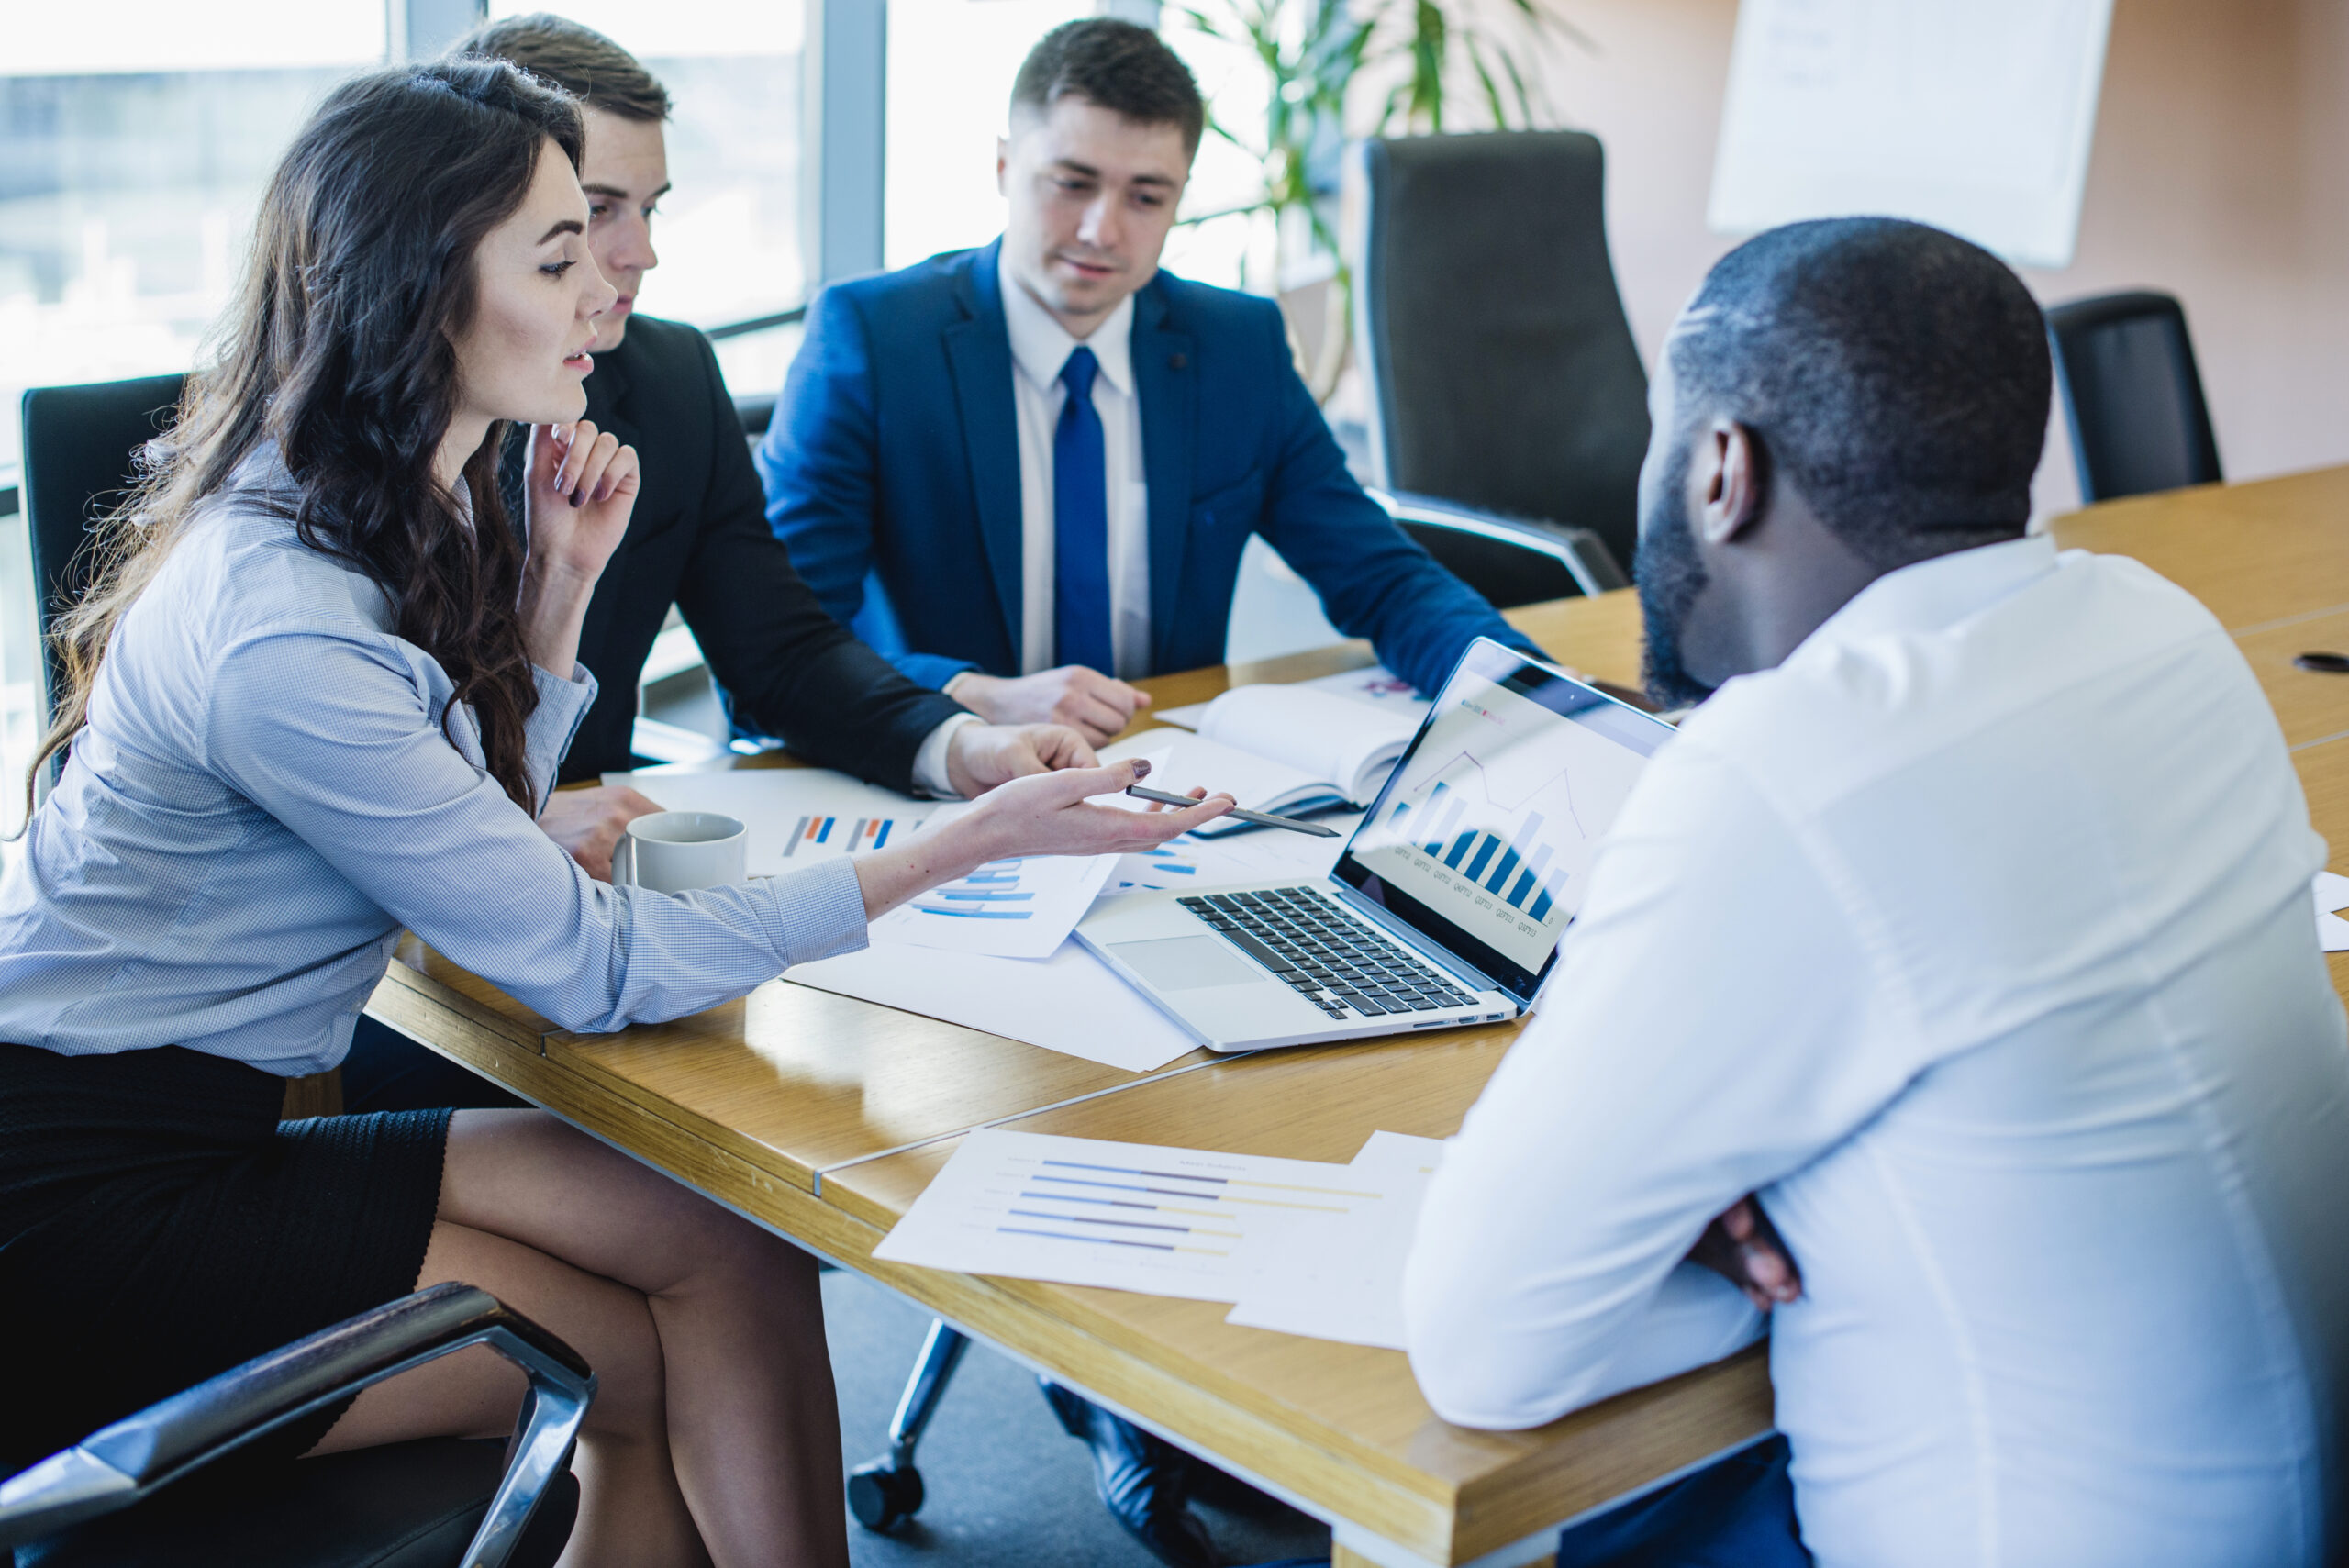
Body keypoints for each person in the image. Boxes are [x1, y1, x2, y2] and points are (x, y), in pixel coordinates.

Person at [0, 61, 1228, 1568]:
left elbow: (482, 830)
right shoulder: (288, 632)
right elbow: (581, 963)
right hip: (80, 1200)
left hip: (196, 1123)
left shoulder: (389, 493)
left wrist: (559, 602)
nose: (613, 282)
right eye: (562, 249)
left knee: (721, 1233)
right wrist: (962, 843)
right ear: (422, 292)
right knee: (605, 1358)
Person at [1401, 217, 2349, 1567]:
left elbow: (1484, 1353)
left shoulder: (1783, 767)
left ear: (1721, 468)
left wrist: (1707, 1224)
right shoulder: (2159, 624)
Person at [340, 12, 1105, 1116]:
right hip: (419, 969)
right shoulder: (352, 439)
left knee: (853, 1106)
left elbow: (778, 647)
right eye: (595, 213)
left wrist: (958, 742)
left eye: (648, 210)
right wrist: (495, 822)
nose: (638, 251)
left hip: (620, 914)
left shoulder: (668, 377)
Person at [756, 17, 1547, 749]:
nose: (1104, 230)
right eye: (1072, 182)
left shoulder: (1237, 347)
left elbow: (1381, 578)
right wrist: (974, 695)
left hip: (1162, 777)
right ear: (1003, 166)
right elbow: (775, 648)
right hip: (940, 772)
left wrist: (1537, 702)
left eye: (1145, 196)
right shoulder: (873, 338)